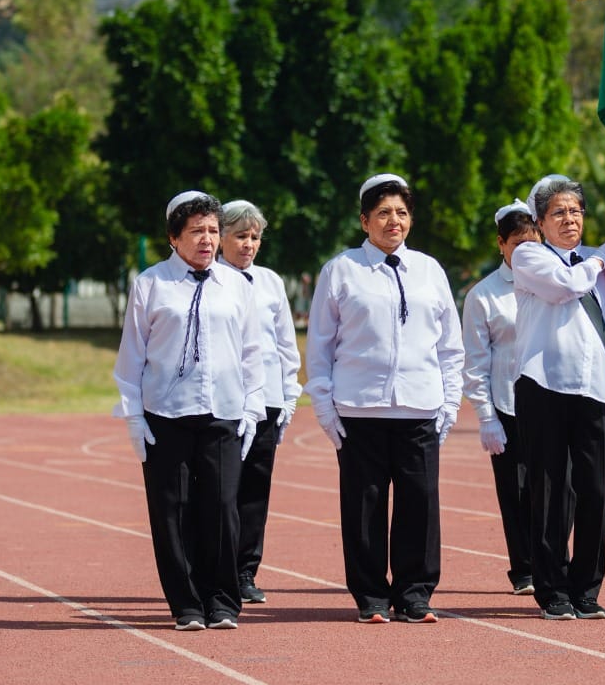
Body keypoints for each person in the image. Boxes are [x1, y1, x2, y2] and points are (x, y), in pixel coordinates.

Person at [305, 173, 464, 624]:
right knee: (363, 507)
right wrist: (323, 406)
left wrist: (449, 404)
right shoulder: (341, 270)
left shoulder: (430, 271)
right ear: (364, 221)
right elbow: (319, 347)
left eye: (401, 212)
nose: (393, 221)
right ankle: (371, 595)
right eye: (383, 213)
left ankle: (415, 594)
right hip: (360, 410)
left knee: (420, 506)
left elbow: (450, 347)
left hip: (419, 408)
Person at [113, 191, 267, 631]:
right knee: (172, 510)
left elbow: (253, 353)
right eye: (196, 231)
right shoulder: (150, 284)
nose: (207, 240)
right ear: (173, 237)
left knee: (221, 507)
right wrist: (134, 417)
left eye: (213, 231)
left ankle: (222, 601)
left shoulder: (237, 285)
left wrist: (253, 409)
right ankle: (186, 604)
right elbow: (132, 357)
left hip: (223, 412)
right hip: (166, 413)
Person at [511, 174, 605, 621]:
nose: (570, 220)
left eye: (576, 211)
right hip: (544, 386)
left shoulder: (600, 268)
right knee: (549, 492)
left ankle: (587, 586)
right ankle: (552, 588)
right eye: (559, 213)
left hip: (595, 389)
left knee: (596, 493)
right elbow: (566, 287)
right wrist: (603, 256)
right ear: (541, 222)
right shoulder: (529, 256)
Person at [217, 199, 302, 604]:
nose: (248, 244)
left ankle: (245, 571)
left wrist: (288, 397)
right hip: (223, 405)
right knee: (221, 491)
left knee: (254, 491)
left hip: (266, 402)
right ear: (221, 238)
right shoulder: (211, 279)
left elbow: (285, 344)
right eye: (240, 236)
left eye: (254, 237)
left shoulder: (270, 282)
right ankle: (216, 569)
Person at [462, 199, 542, 597]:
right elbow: (475, 362)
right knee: (515, 491)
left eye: (533, 241)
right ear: (501, 244)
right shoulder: (484, 295)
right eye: (517, 243)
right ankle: (524, 568)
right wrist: (486, 416)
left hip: (551, 405)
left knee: (557, 489)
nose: (526, 250)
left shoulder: (552, 283)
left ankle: (553, 561)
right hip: (508, 407)